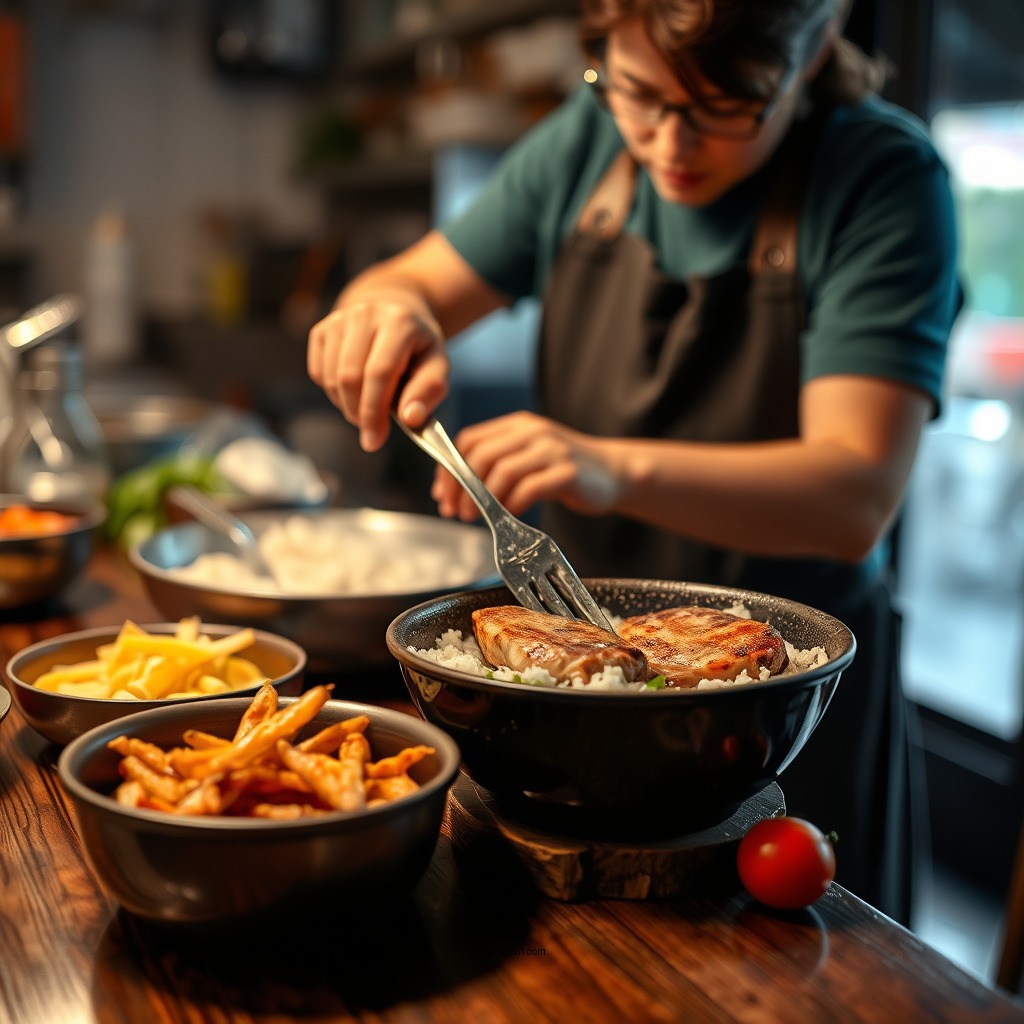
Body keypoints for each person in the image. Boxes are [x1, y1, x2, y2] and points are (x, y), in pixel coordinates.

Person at [307, 0, 961, 922]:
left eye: (727, 106)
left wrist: (609, 467)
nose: (669, 142)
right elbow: (407, 282)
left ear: (815, 48)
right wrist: (390, 312)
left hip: (778, 726)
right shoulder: (586, 140)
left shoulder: (882, 177)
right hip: (574, 704)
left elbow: (855, 493)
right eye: (638, 94)